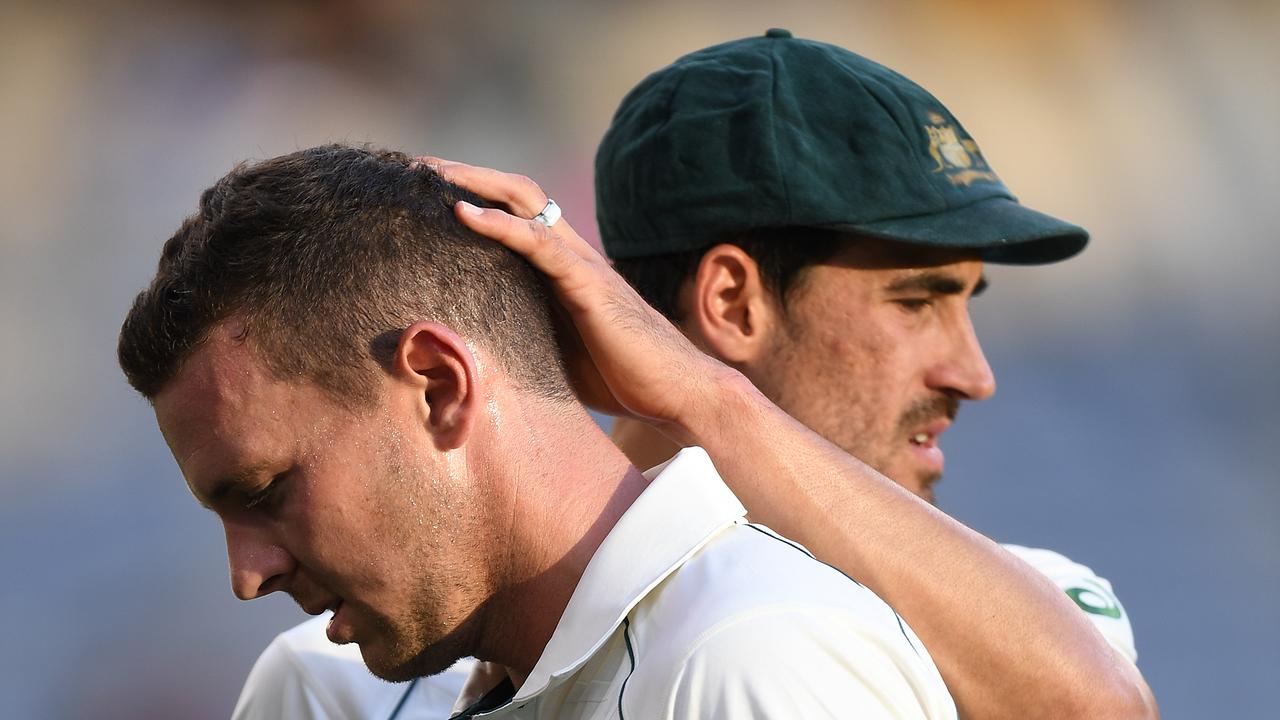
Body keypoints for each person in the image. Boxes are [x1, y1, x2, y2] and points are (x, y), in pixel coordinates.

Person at [233, 32, 1157, 720]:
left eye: (968, 304)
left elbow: (1100, 710)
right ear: (730, 301)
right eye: (917, 302)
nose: (974, 373)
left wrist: (708, 397)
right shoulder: (328, 686)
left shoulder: (1042, 606)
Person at [119, 144, 962, 719]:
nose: (245, 574)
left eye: (267, 490)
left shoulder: (752, 661)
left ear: (441, 386)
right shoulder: (316, 689)